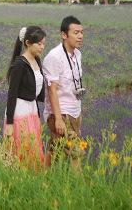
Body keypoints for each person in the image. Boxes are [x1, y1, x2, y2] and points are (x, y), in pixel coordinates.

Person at [43, 16, 85, 167]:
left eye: (81, 32)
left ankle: (42, 177)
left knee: (55, 148)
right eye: (76, 32)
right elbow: (52, 90)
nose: (80, 36)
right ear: (64, 35)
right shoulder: (54, 57)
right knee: (75, 152)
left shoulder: (78, 54)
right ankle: (78, 187)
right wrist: (58, 119)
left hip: (75, 111)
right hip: (60, 113)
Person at [4, 26, 46, 169]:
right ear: (28, 43)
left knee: (34, 150)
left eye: (43, 43)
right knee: (22, 151)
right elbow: (12, 94)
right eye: (39, 43)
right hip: (20, 111)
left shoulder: (37, 61)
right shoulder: (19, 64)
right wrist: (9, 123)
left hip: (32, 109)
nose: (42, 47)